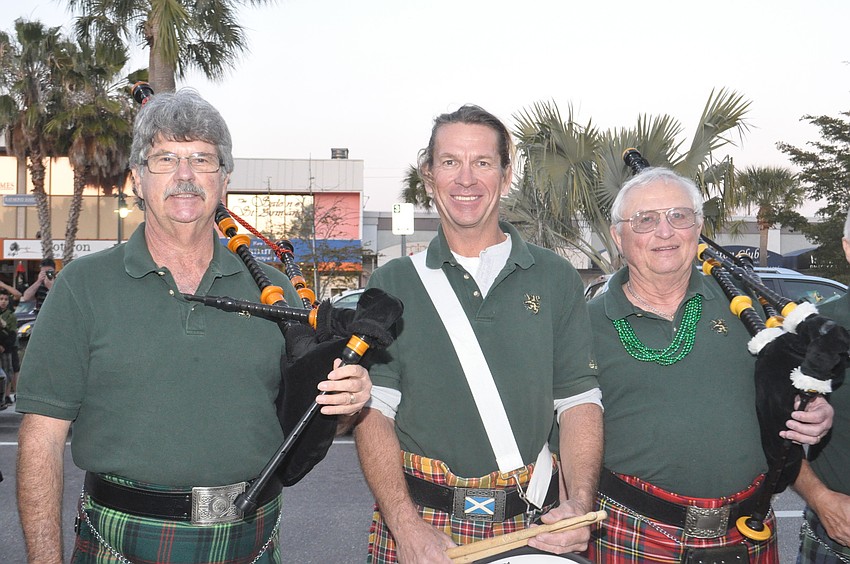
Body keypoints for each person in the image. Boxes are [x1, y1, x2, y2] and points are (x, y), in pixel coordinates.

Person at [15, 88, 372, 564]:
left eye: (202, 159)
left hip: (252, 536)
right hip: (119, 538)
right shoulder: (82, 286)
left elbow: (304, 421)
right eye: (165, 158)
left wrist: (347, 402)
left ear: (224, 180)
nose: (185, 175)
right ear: (137, 180)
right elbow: (41, 437)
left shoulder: (279, 294)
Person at [354, 105, 603, 563]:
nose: (465, 179)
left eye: (483, 163)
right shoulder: (392, 282)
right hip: (423, 528)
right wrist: (405, 527)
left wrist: (579, 505)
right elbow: (374, 413)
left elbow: (578, 403)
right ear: (429, 176)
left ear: (506, 177)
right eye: (450, 162)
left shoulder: (556, 276)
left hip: (533, 523)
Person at [586, 167, 834, 563]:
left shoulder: (749, 309)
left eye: (678, 216)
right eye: (645, 220)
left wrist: (812, 409)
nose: (664, 231)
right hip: (633, 531)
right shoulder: (584, 323)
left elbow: (784, 396)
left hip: (748, 529)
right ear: (618, 236)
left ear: (697, 228)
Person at [792, 209, 850, 563]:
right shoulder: (815, 333)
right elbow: (769, 430)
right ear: (848, 247)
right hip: (836, 542)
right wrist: (819, 498)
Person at [0, 291, 16, 410]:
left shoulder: (10, 316)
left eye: (5, 299)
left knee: (7, 371)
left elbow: (12, 334)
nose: (3, 301)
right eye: (1, 299)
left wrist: (4, 346)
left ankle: (6, 395)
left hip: (6, 347)